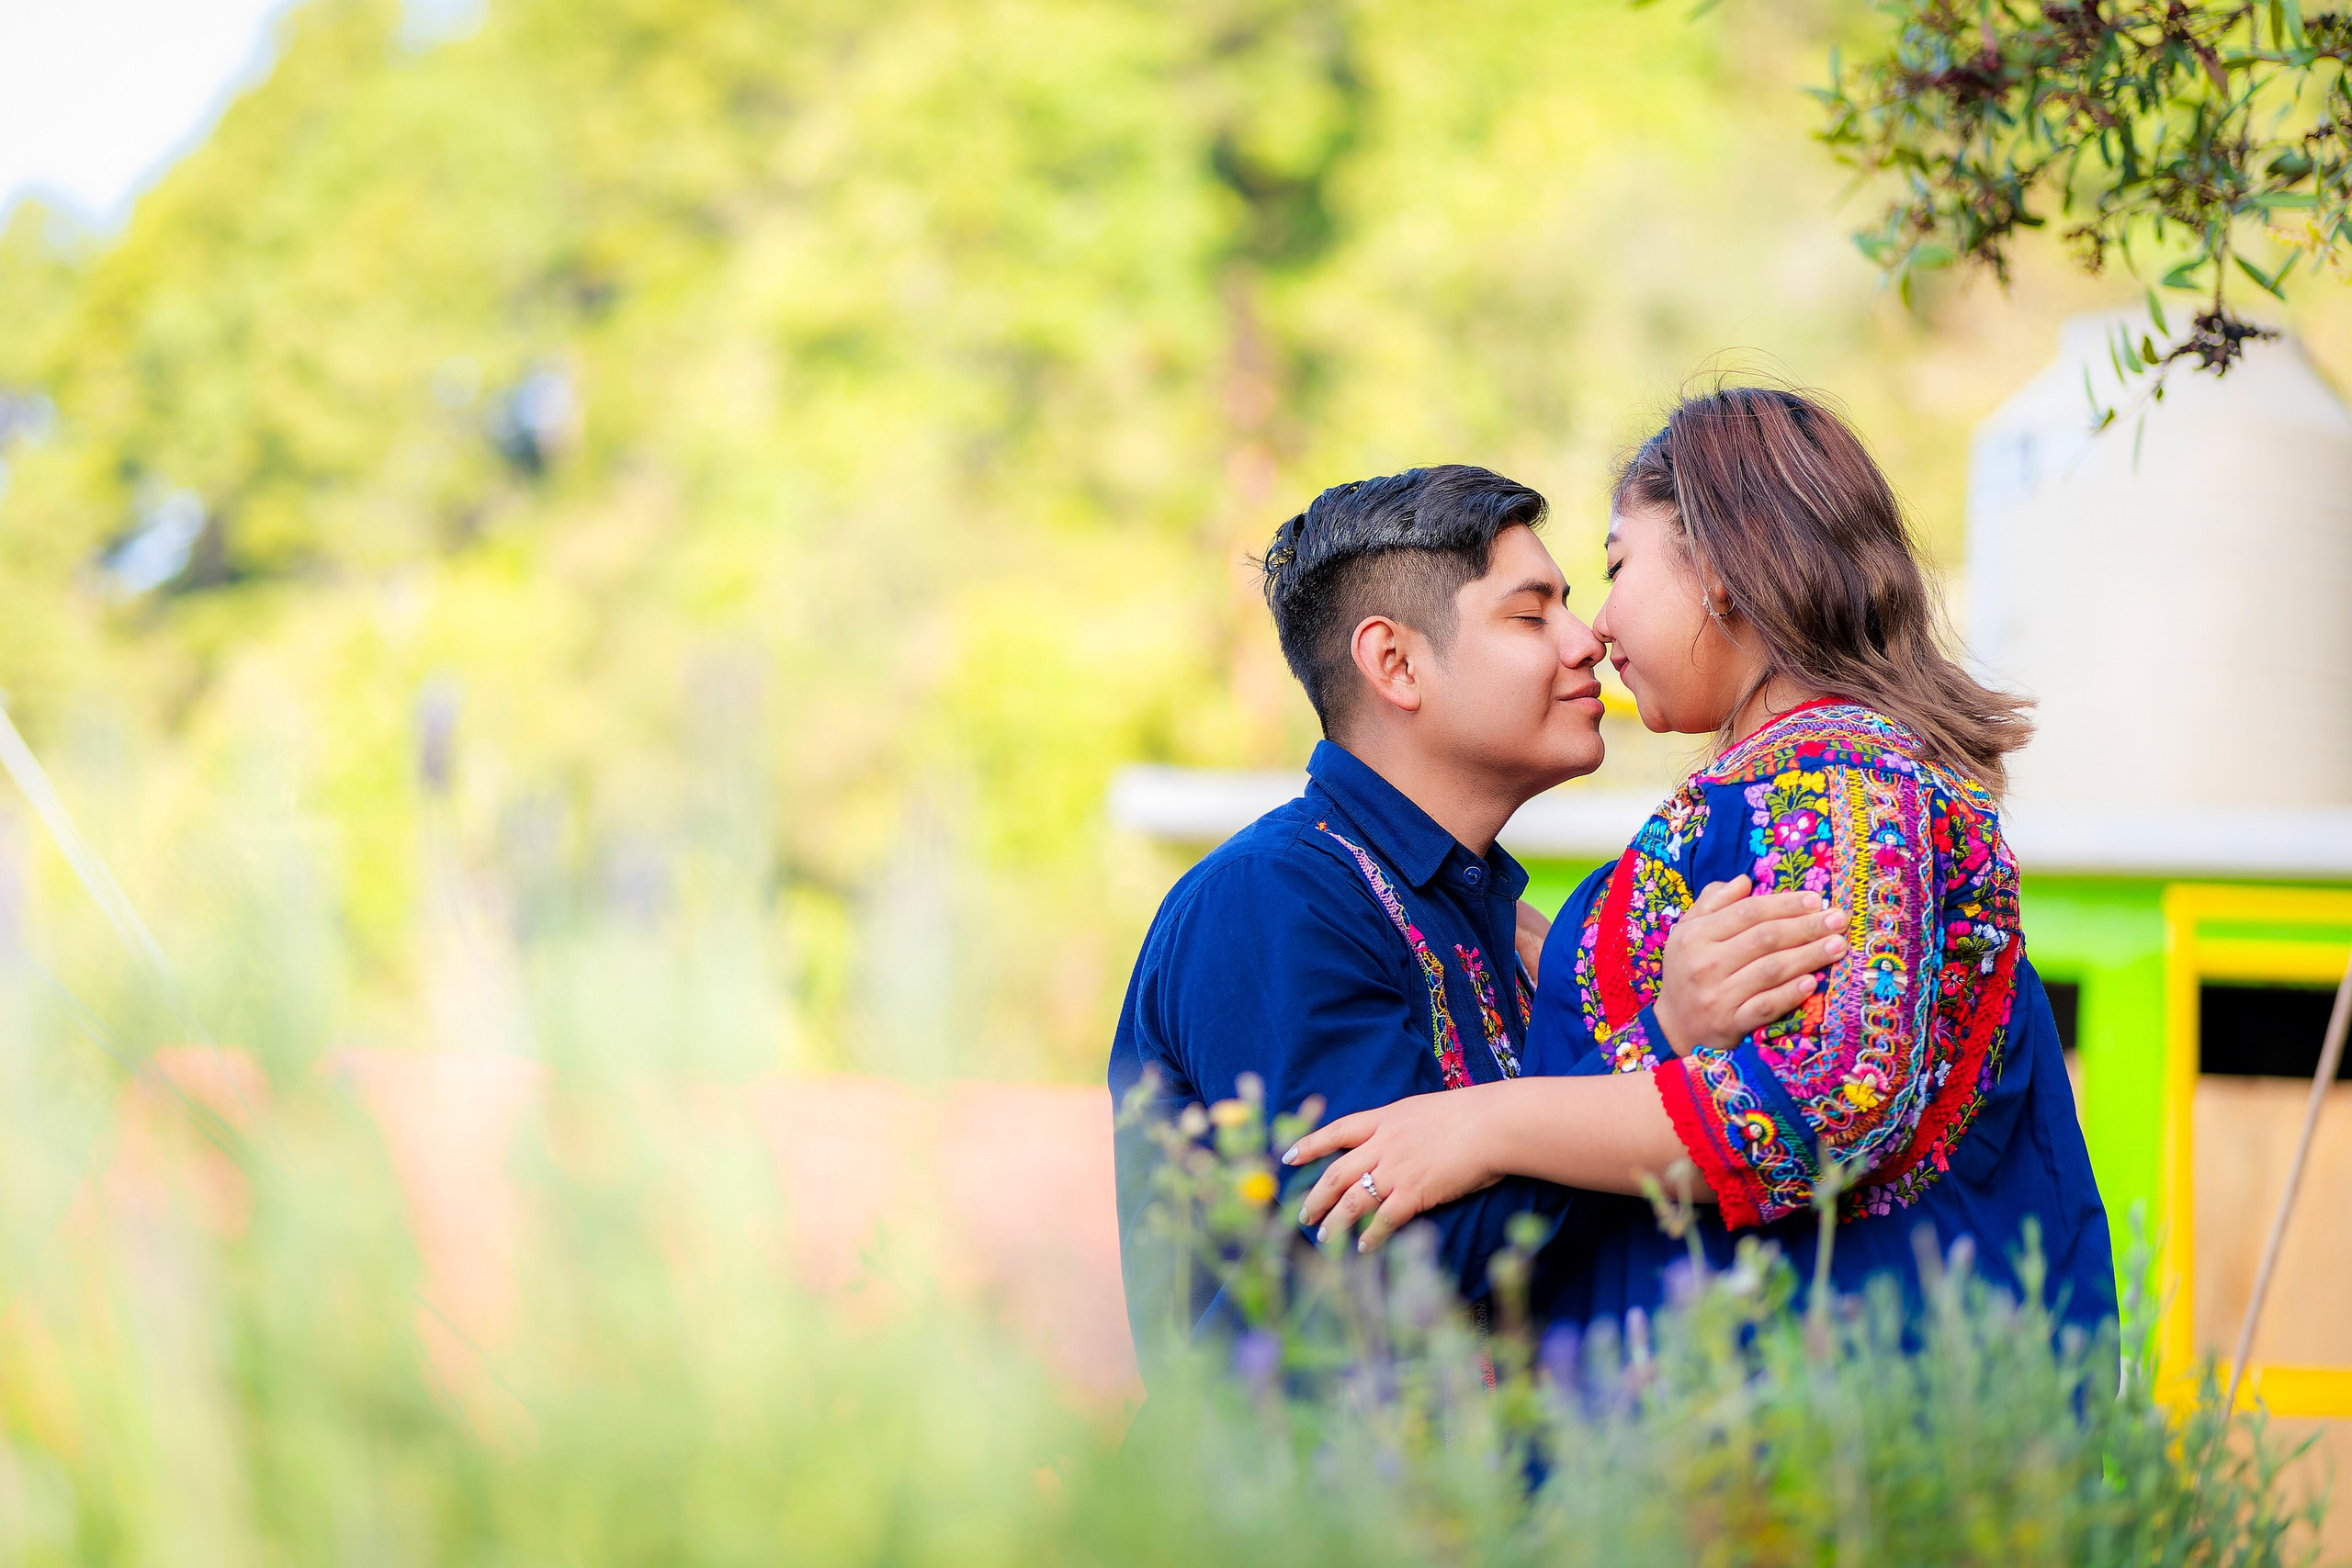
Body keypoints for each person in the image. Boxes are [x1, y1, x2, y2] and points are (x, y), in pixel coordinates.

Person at [1286, 389, 2115, 1330]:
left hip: (1833, 1435)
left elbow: (1821, 1102)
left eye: (1614, 568)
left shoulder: (1846, 791)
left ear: (1721, 568)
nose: (1593, 631)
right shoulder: (1801, 788)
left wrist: (1485, 1125)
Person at [1109, 464, 1846, 1367]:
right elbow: (1383, 1273)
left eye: (1575, 603)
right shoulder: (1276, 901)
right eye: (1531, 615)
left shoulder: (1500, 919)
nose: (1588, 641)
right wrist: (1661, 1040)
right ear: (1396, 663)